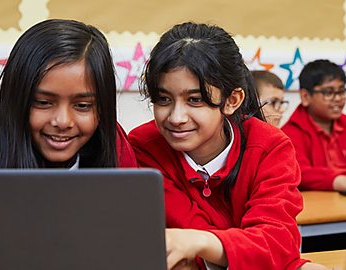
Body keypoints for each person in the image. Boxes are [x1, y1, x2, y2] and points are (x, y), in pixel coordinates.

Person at [129, 22, 326, 270]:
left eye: (195, 100)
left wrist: (198, 243)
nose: (176, 117)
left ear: (232, 100)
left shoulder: (270, 146)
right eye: (163, 99)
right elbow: (187, 241)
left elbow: (277, 243)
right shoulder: (143, 149)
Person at [0, 19, 136, 168]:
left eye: (82, 105)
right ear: (16, 98)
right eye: (43, 102)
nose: (62, 122)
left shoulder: (111, 142)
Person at [282, 59, 346, 191]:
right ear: (305, 96)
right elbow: (301, 173)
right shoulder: (289, 133)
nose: (338, 99)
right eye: (328, 92)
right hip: (321, 203)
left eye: (341, 91)